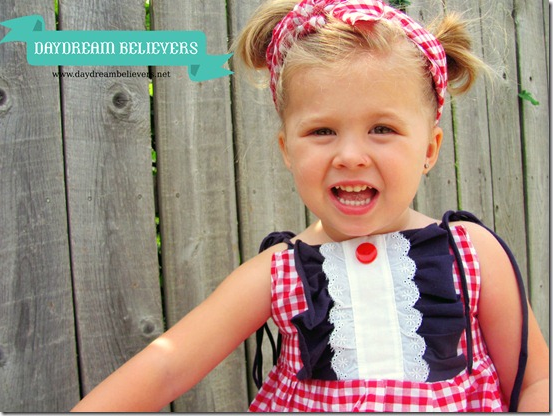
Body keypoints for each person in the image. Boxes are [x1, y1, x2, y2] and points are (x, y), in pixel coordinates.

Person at [71, 0, 549, 412]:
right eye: (322, 131)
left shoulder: (472, 254)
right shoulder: (277, 272)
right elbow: (168, 365)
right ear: (287, 149)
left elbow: (534, 383)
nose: (350, 156)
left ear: (429, 148)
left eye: (382, 129)